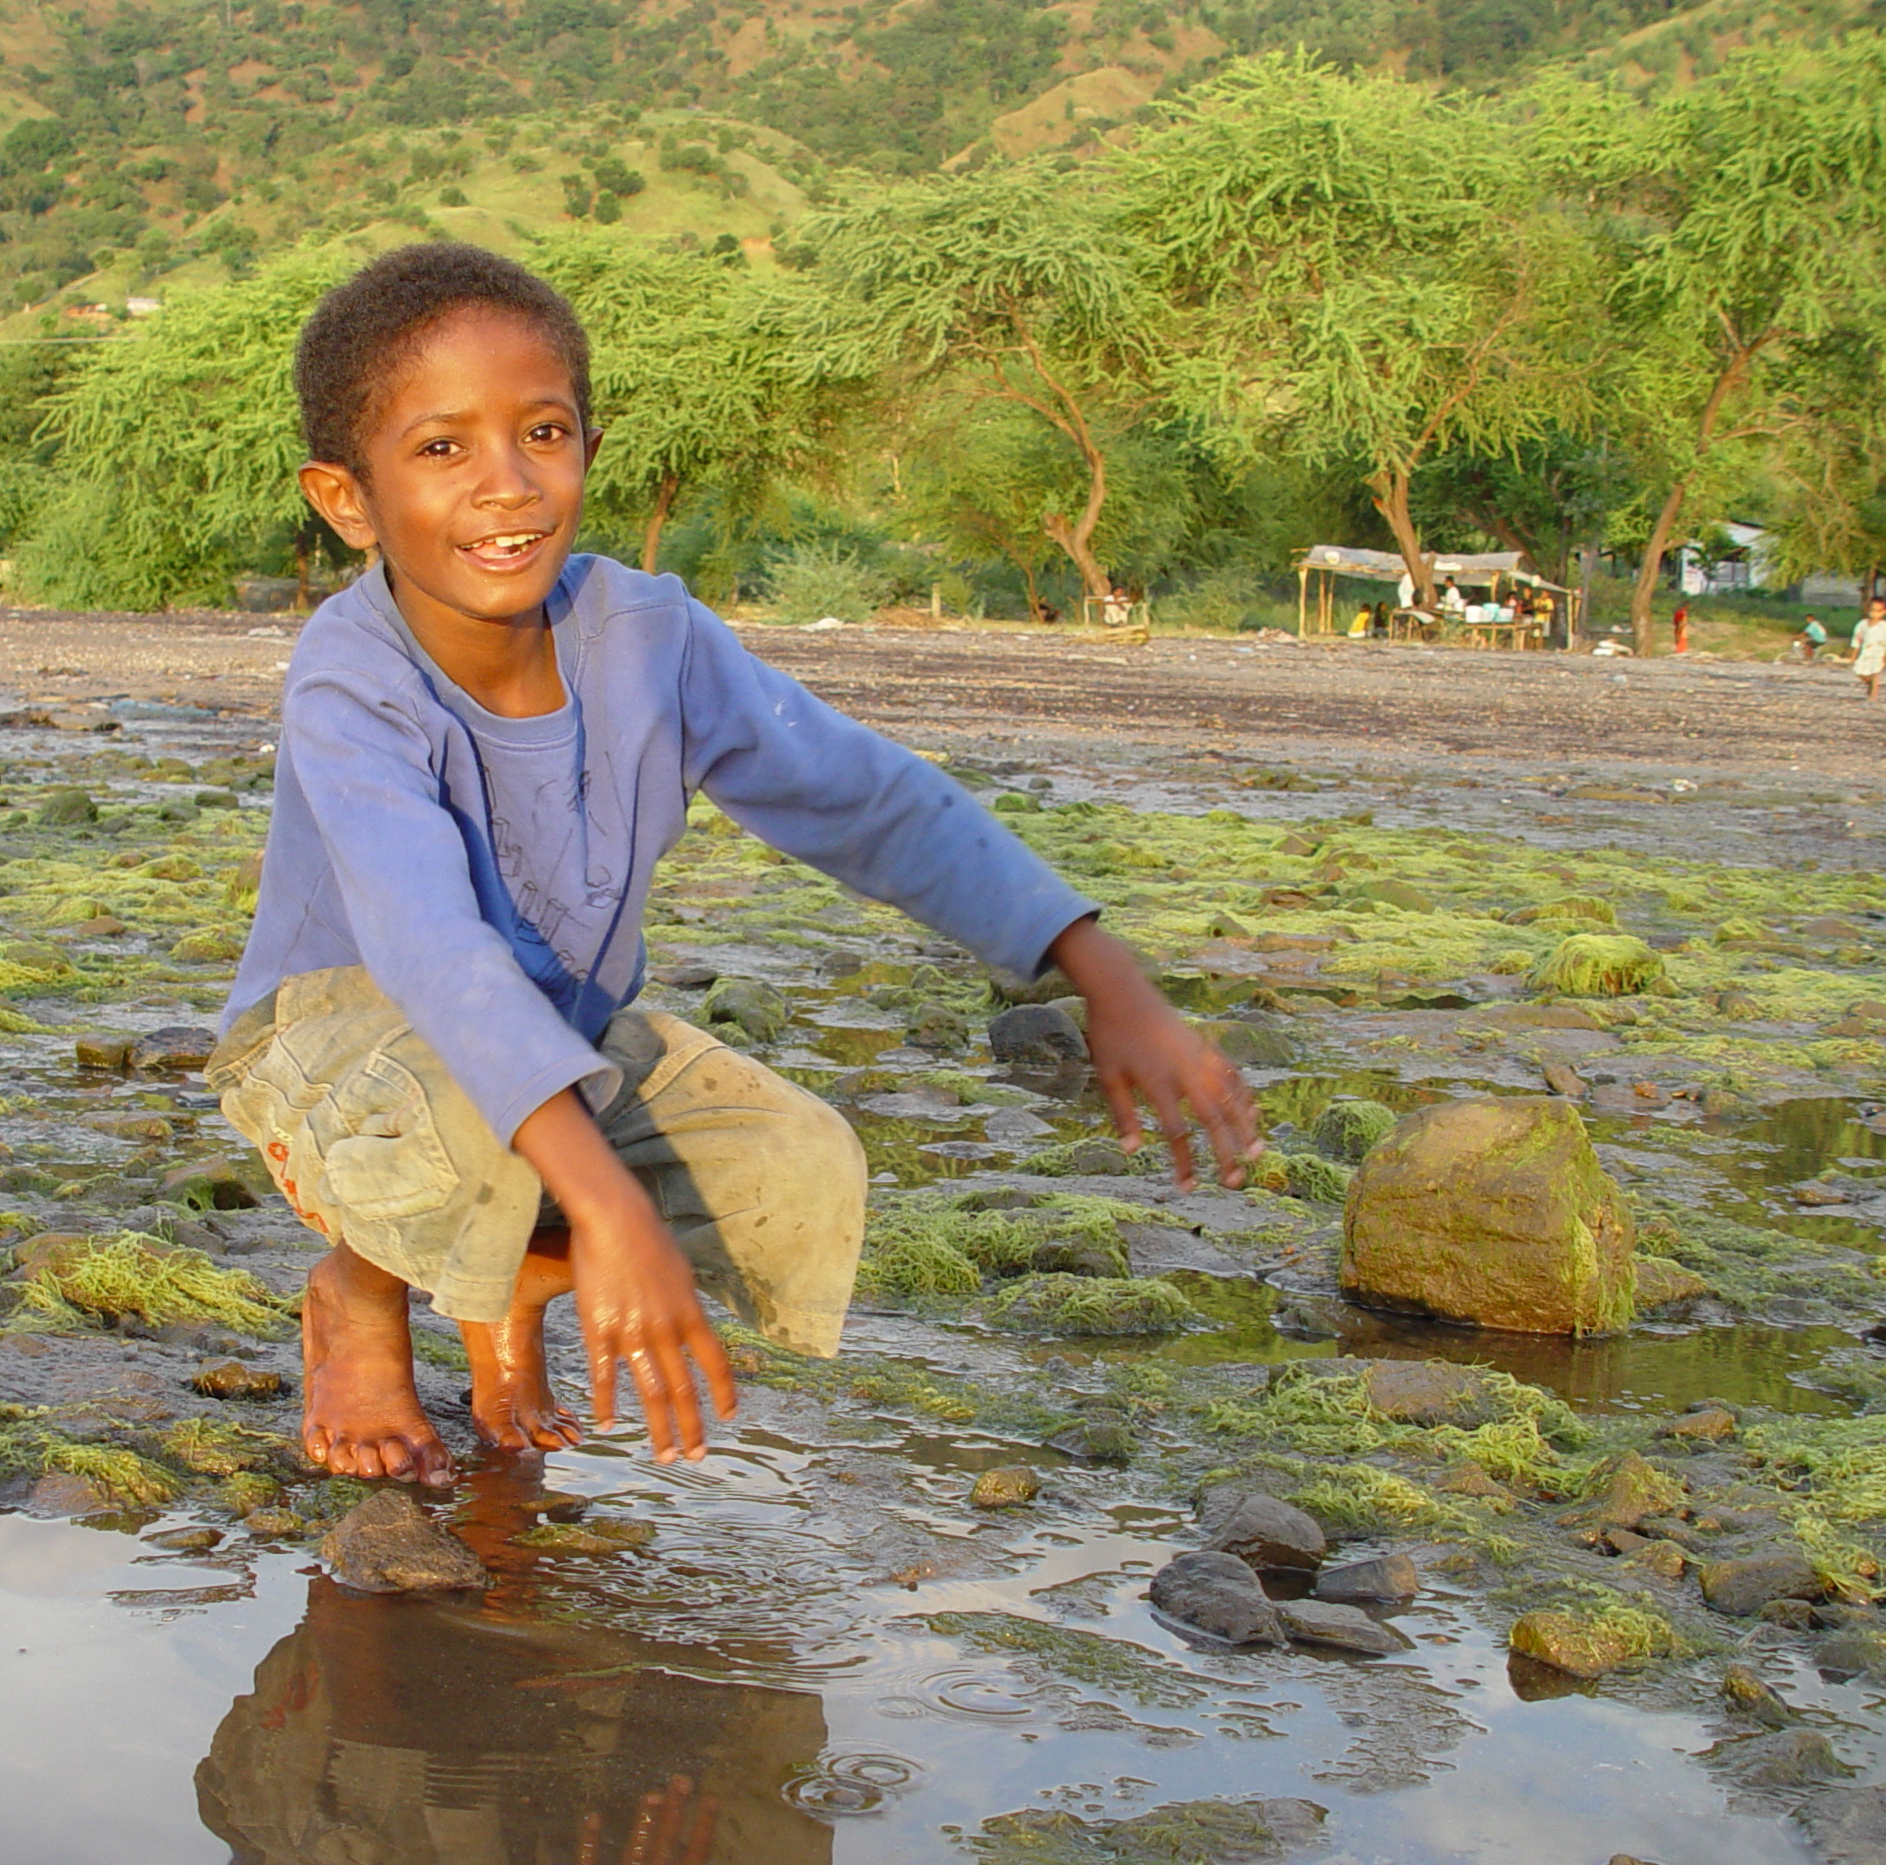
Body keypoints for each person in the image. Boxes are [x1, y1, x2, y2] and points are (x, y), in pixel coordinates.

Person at [208, 244, 1261, 1486]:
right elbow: (435, 956)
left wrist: (1098, 968)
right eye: (442, 449)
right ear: (348, 498)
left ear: (587, 450)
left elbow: (870, 800)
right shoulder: (352, 676)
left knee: (795, 1168)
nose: (505, 485)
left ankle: (511, 1287)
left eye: (541, 433)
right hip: (333, 1042)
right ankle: (360, 1289)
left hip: (548, 1038)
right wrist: (605, 1209)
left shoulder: (647, 636)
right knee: (470, 1128)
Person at [1855, 596, 1886, 698]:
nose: (1875, 613)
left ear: (1884, 612)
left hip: (1878, 651)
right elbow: (1857, 638)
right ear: (1868, 610)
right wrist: (1854, 652)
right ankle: (1870, 684)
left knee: (1875, 672)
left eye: (1879, 611)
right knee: (1859, 672)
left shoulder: (1885, 626)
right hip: (1866, 651)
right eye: (1873, 610)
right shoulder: (1862, 624)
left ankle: (1873, 696)